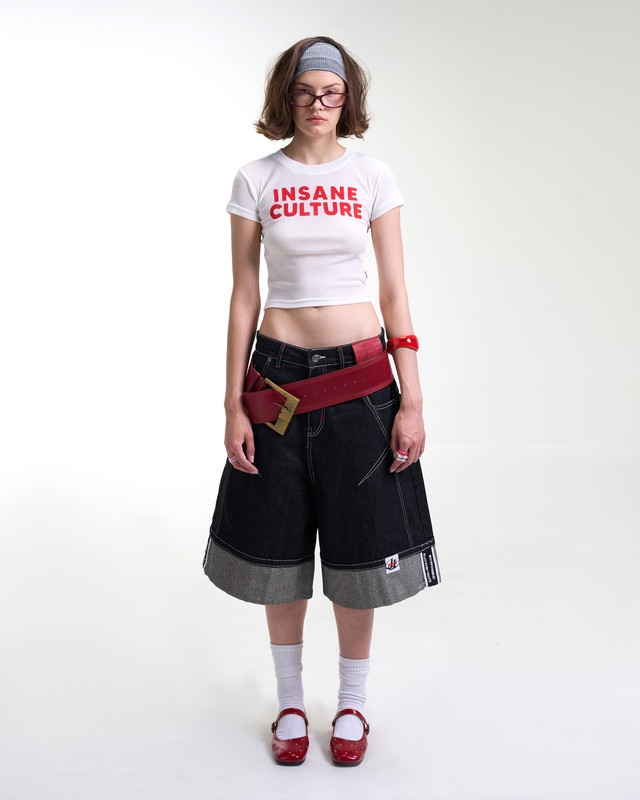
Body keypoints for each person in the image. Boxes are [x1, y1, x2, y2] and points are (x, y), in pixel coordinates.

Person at [203, 35, 440, 767]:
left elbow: (394, 292)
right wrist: (232, 402)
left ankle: (353, 703)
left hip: (363, 382)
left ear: (347, 99)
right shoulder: (256, 178)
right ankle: (289, 704)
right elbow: (244, 294)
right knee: (279, 550)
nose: (317, 104)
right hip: (275, 380)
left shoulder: (373, 176)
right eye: (305, 92)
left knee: (360, 550)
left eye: (330, 92)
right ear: (287, 97)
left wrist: (412, 398)